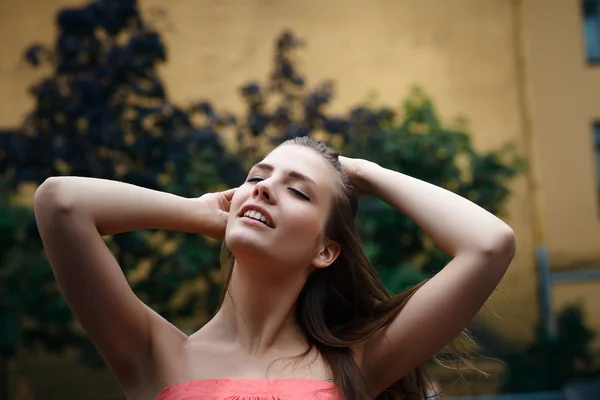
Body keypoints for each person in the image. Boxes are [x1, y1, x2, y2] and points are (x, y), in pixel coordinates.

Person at [33, 136, 515, 400]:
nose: (263, 188)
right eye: (255, 177)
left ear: (325, 251)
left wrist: (362, 171)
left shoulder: (359, 365)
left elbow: (490, 244)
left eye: (299, 190)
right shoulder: (154, 353)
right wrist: (198, 213)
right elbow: (60, 202)